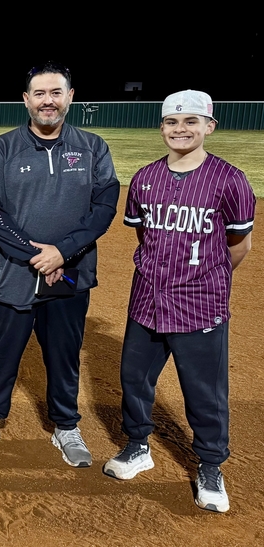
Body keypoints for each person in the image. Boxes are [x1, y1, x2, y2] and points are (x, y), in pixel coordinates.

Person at [102, 90, 254, 513]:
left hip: (201, 304)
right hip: (147, 300)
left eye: (190, 122)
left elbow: (237, 245)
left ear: (209, 126)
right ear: (162, 127)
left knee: (204, 392)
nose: (180, 130)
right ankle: (137, 446)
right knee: (134, 379)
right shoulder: (146, 177)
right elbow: (145, 237)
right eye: (172, 122)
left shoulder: (230, 179)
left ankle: (209, 465)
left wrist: (209, 277)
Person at [0, 61, 119, 466]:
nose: (47, 101)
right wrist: (38, 255)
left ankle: (66, 427)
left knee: (64, 356)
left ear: (70, 97)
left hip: (70, 272)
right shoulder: (3, 147)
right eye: (39, 94)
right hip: (13, 275)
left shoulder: (93, 147)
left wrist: (62, 253)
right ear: (26, 100)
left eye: (55, 93)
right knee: (0, 354)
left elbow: (103, 207)